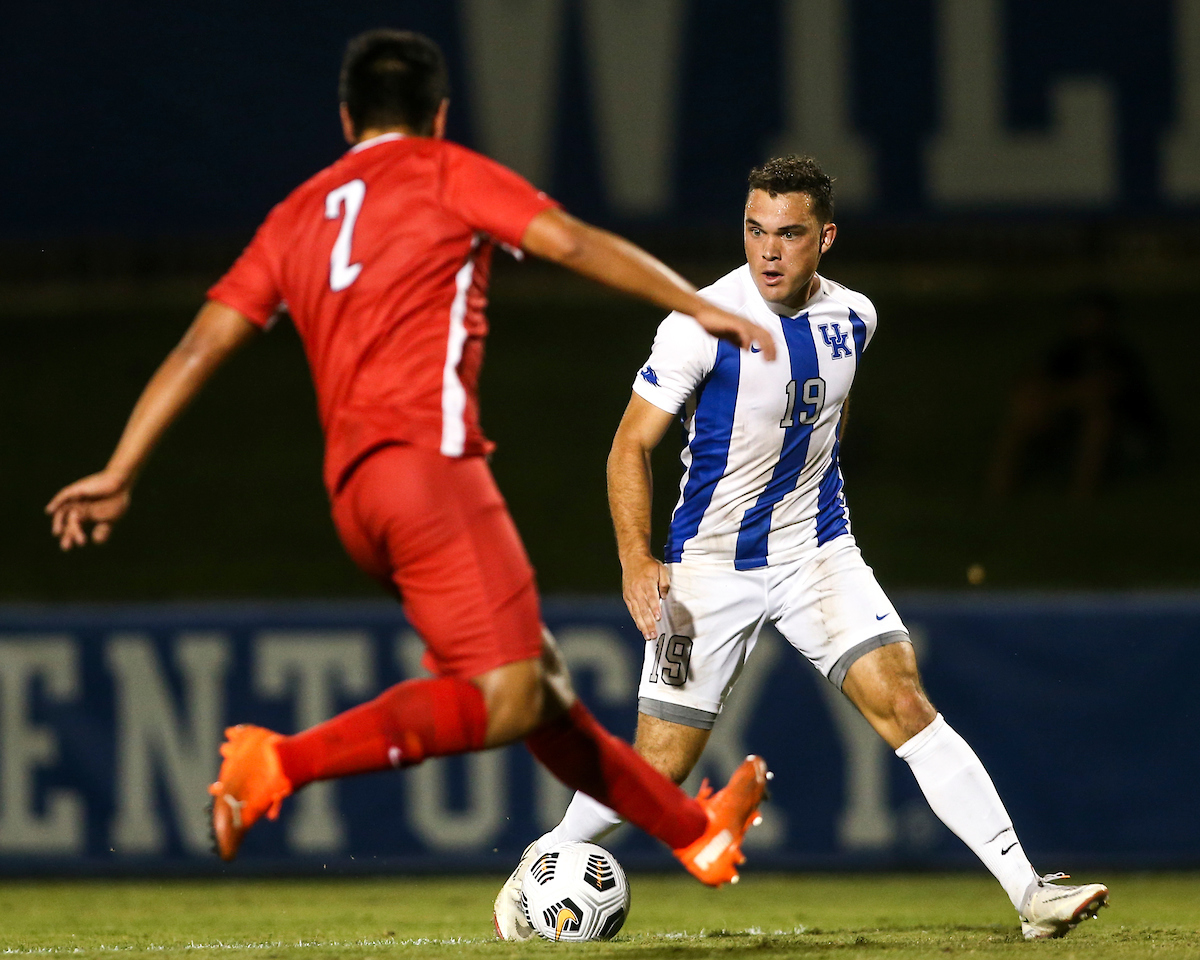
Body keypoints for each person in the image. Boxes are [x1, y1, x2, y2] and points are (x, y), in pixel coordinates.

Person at [45, 29, 774, 888]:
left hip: (356, 495)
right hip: (431, 473)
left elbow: (204, 343)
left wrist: (122, 466)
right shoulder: (445, 172)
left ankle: (695, 833)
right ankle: (276, 763)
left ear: (347, 116)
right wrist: (697, 306)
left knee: (537, 686)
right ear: (439, 115)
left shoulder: (298, 213)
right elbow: (570, 242)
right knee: (506, 693)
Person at [493, 156, 1109, 942]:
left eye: (789, 234)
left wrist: (814, 499)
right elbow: (627, 447)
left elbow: (827, 416)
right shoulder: (697, 322)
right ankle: (542, 864)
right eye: (755, 230)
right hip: (707, 571)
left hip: (817, 554)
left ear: (826, 238)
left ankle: (1030, 893)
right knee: (660, 768)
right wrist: (636, 560)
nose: (769, 251)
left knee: (904, 700)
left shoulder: (855, 317)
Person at [986, 292, 1163, 499]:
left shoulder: (1119, 353)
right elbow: (1031, 381)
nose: (1089, 324)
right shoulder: (1065, 350)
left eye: (1094, 317)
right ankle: (997, 491)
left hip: (1126, 430)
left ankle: (1082, 491)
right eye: (1083, 317)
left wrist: (1058, 397)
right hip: (1070, 419)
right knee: (1022, 417)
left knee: (1098, 422)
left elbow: (1104, 391)